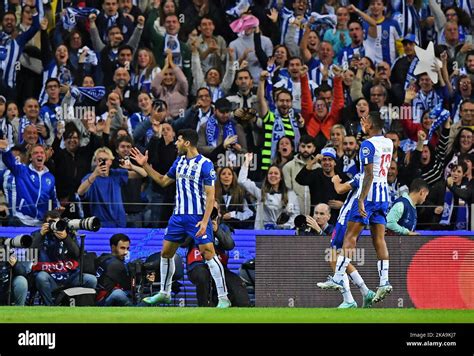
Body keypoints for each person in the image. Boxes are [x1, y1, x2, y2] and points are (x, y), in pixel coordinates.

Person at [129, 129, 231, 308]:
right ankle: (164, 293)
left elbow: (210, 196)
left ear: (187, 143)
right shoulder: (179, 161)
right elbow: (162, 180)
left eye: (178, 140)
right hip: (178, 216)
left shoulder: (206, 164)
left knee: (208, 253)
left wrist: (205, 221)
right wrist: (145, 165)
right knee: (166, 253)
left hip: (197, 217)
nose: (176, 143)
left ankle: (223, 298)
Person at [317, 111, 394, 304]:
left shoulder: (368, 145)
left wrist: (361, 200)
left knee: (350, 238)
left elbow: (368, 175)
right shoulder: (388, 143)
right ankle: (384, 282)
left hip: (369, 196)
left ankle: (337, 277)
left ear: (370, 124)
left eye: (364, 121)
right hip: (384, 194)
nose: (361, 123)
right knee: (379, 239)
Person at [318, 173, 376, 308]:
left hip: (347, 218)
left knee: (334, 256)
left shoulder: (362, 176)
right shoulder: (375, 183)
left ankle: (349, 299)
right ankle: (365, 291)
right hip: (352, 218)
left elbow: (339, 189)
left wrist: (335, 180)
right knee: (339, 258)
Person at [184, 203, 250, 307]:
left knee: (236, 283)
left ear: (218, 213)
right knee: (203, 276)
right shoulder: (193, 224)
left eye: (213, 211)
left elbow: (230, 245)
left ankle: (241, 308)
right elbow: (183, 244)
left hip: (220, 268)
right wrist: (195, 228)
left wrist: (217, 230)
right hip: (197, 266)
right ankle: (204, 307)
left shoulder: (223, 227)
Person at [31, 210, 97, 306]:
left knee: (91, 280)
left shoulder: (68, 233)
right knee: (41, 277)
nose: (54, 225)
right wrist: (40, 235)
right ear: (44, 223)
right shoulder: (37, 234)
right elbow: (29, 253)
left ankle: (82, 307)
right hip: (50, 277)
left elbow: (77, 254)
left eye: (57, 222)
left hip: (69, 277)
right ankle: (50, 308)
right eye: (51, 222)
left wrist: (66, 238)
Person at [77, 146, 147, 227]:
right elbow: (80, 192)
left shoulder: (116, 174)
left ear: (111, 161)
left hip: (119, 221)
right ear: (95, 161)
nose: (103, 162)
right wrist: (94, 175)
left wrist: (132, 167)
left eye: (105, 160)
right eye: (100, 160)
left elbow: (144, 174)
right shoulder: (90, 177)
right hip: (100, 224)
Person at [0, 141, 59, 226]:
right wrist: (6, 149)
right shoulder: (22, 171)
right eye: (35, 153)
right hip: (21, 221)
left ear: (45, 157)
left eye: (42, 153)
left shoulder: (50, 177)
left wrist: (57, 209)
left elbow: (53, 198)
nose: (39, 155)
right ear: (31, 157)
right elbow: (11, 162)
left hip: (40, 223)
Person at [238, 152, 300, 230]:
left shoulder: (290, 193)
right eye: (270, 173)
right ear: (267, 177)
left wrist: (283, 227)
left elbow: (295, 215)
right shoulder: (260, 191)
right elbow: (241, 181)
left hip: (282, 234)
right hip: (261, 233)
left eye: (276, 173)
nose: (273, 175)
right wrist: (246, 162)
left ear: (281, 177)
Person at [96, 233, 133, 306]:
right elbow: (128, 286)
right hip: (103, 301)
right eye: (122, 248)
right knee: (119, 293)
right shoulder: (117, 265)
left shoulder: (103, 257)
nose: (126, 252)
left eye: (127, 249)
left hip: (99, 298)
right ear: (113, 247)